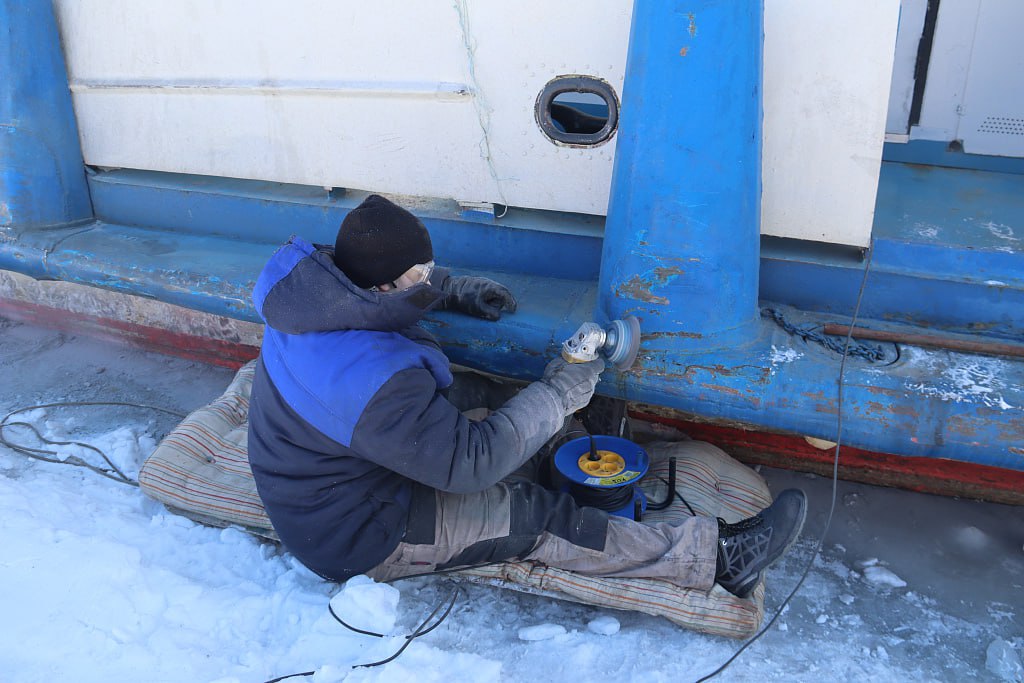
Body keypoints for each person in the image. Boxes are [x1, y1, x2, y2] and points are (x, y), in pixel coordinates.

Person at [247, 194, 807, 599]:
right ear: (381, 289)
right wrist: (561, 390)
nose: (431, 280)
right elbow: (472, 465)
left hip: (337, 467)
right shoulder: (370, 382)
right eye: (423, 276)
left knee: (487, 398)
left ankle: (574, 451)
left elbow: (383, 297)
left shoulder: (314, 297)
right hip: (358, 530)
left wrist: (453, 293)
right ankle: (717, 559)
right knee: (537, 518)